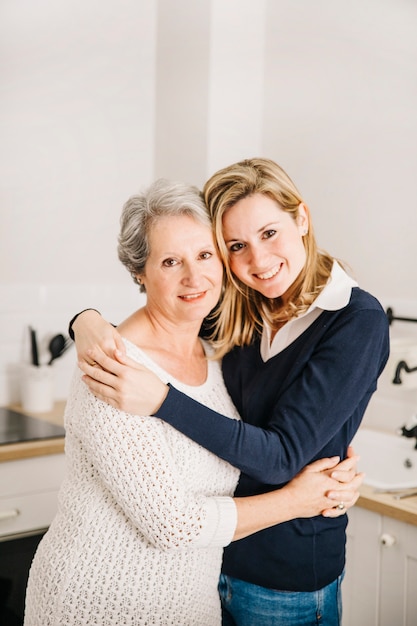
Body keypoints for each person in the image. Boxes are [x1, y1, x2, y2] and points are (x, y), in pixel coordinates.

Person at [24, 178, 361, 626]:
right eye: (170, 261)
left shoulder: (217, 350)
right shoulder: (112, 369)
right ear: (139, 273)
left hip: (188, 604)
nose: (194, 277)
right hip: (98, 603)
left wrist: (337, 478)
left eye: (205, 255)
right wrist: (299, 500)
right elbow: (174, 526)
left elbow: (254, 443)